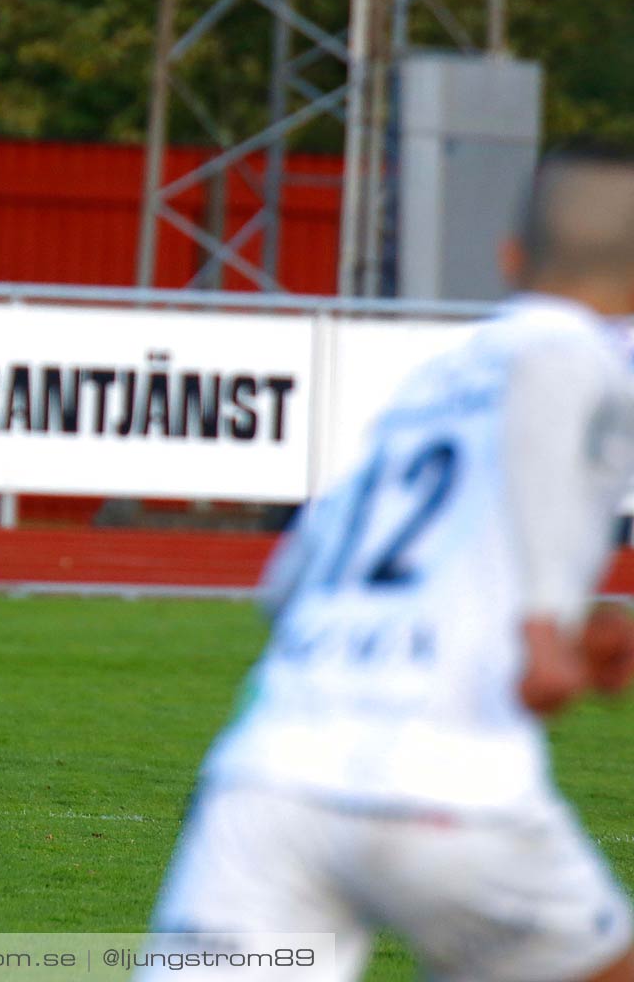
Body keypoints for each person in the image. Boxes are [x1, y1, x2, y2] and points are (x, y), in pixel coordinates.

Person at [142, 148, 634, 981]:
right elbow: (550, 392)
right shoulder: (579, 350)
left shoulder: (429, 378)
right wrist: (546, 624)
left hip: (269, 779)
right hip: (449, 778)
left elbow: (288, 584)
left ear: (509, 257)